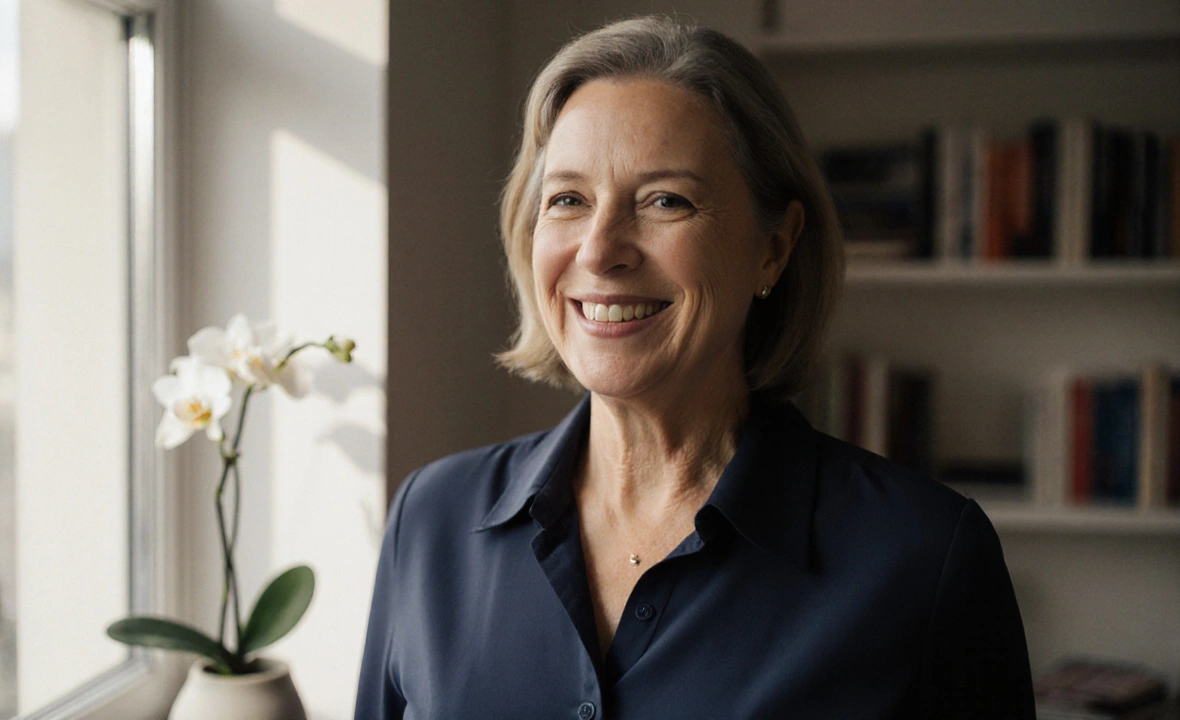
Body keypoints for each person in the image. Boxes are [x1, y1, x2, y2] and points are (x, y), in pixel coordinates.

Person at [356, 15, 1034, 720]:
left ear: (773, 248)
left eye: (665, 201)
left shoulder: (924, 559)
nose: (599, 250)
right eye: (568, 200)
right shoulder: (430, 522)